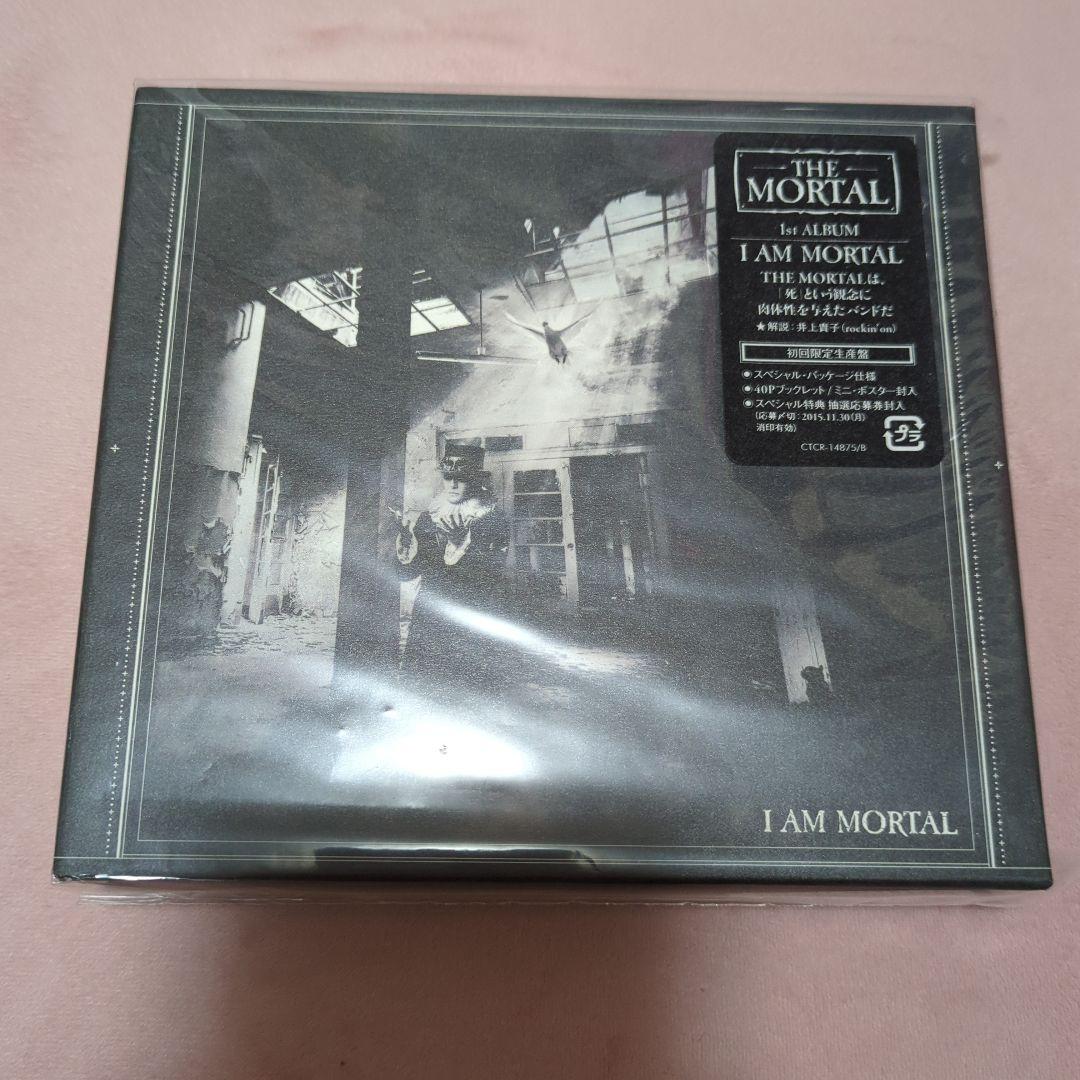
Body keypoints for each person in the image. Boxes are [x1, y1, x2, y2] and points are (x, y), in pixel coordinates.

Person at [392, 444, 511, 686]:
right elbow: (409, 573)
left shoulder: (492, 518)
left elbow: (491, 575)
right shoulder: (430, 516)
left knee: (466, 683)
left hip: (473, 613)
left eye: (461, 478)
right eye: (448, 477)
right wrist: (406, 547)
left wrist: (460, 546)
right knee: (426, 682)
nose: (453, 485)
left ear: (475, 479)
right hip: (431, 612)